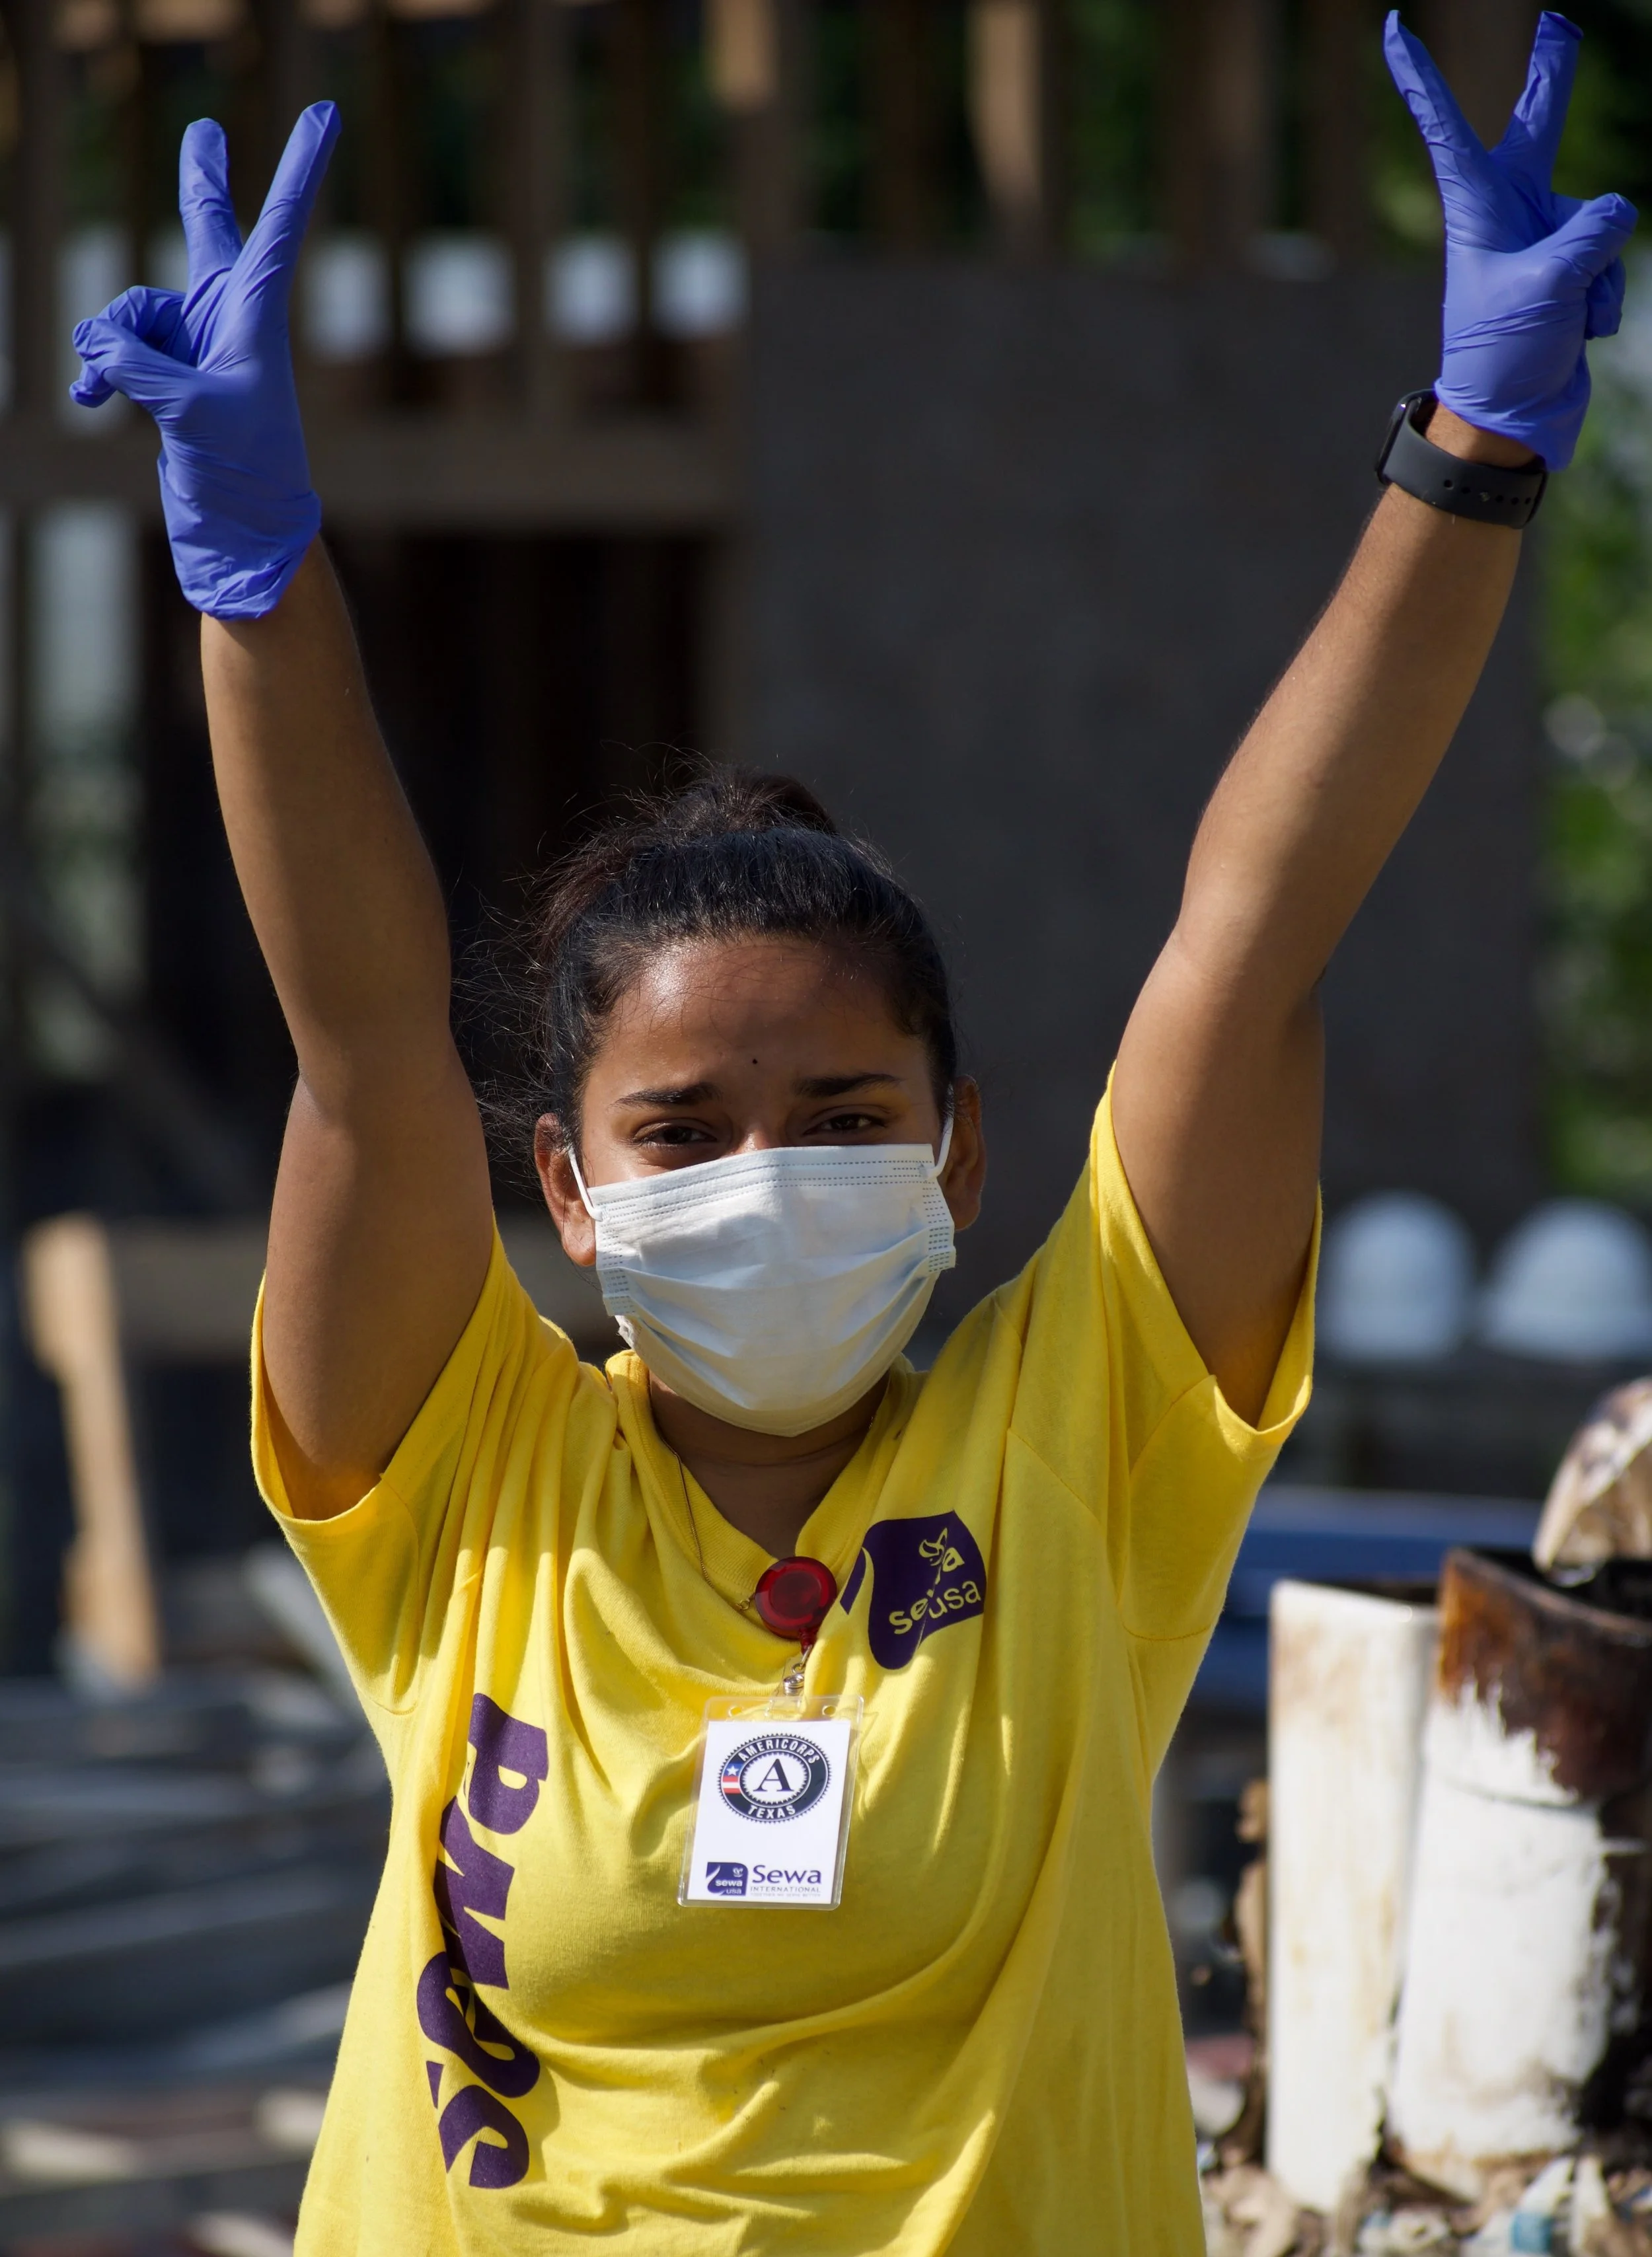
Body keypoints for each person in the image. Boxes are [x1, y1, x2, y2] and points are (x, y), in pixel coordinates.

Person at [68, 12, 1633, 2253]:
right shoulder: (464, 1478)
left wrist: (1469, 457)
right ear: (567, 1191)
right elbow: (362, 1045)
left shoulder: (1080, 1448)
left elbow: (1248, 940)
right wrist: (252, 579)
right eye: (681, 1129)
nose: (766, 1175)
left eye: (840, 1115)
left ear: (958, 1155)